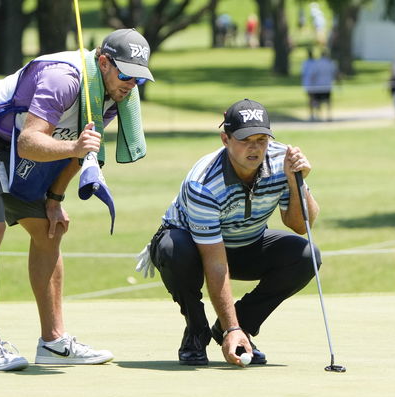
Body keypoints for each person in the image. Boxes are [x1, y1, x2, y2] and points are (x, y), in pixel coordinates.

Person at [0, 28, 154, 371]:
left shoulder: (116, 96)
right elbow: (31, 142)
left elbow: (82, 151)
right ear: (103, 62)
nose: (131, 84)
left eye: (139, 78)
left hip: (11, 146)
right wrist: (75, 147)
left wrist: (54, 199)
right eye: (126, 74)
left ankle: (53, 342)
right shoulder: (63, 79)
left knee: (50, 229)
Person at [135, 99, 320, 367]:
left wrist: (296, 182)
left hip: (247, 243)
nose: (255, 148)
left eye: (262, 139)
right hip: (191, 246)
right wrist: (232, 327)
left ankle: (236, 329)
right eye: (245, 140)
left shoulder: (284, 161)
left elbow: (301, 225)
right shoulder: (204, 182)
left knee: (305, 255)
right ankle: (197, 332)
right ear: (225, 139)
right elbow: (215, 261)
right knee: (173, 250)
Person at [306, 50, 337, 121]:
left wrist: (311, 85)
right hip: (327, 86)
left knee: (315, 101)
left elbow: (312, 75)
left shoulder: (317, 63)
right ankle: (329, 116)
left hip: (317, 86)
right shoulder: (330, 63)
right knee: (328, 101)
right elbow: (335, 74)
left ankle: (315, 115)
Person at [301, 48, 317, 121]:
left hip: (312, 84)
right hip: (311, 84)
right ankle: (312, 114)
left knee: (312, 99)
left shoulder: (307, 63)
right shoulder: (310, 63)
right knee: (312, 99)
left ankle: (313, 113)